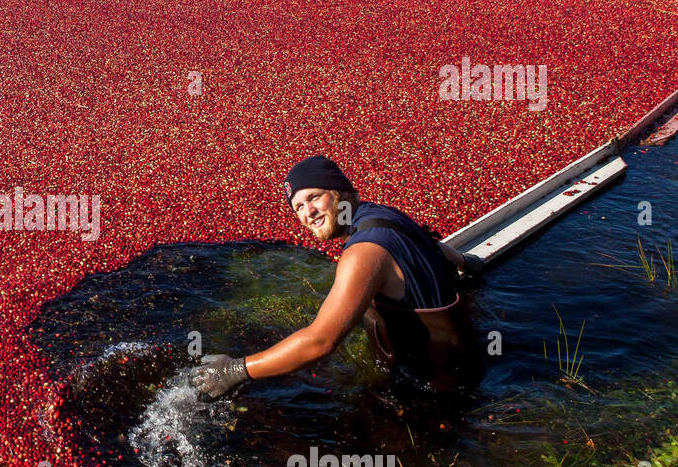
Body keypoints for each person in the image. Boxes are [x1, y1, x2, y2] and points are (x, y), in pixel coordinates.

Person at [190, 155, 484, 399]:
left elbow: (320, 341)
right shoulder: (381, 214)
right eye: (299, 208)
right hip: (464, 359)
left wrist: (235, 371)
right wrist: (467, 263)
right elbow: (433, 245)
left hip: (436, 390)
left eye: (315, 197)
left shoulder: (362, 253)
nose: (308, 213)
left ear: (340, 193)